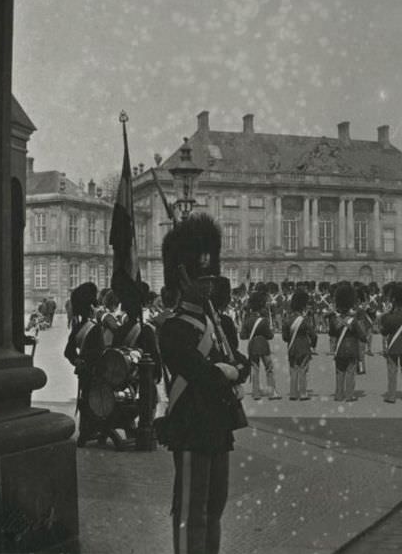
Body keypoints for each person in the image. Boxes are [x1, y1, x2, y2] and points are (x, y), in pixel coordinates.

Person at [158, 214, 250, 554]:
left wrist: (233, 370)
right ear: (183, 278)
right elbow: (201, 374)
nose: (210, 283)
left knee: (215, 509)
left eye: (212, 276)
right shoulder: (173, 328)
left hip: (218, 425)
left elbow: (243, 364)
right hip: (192, 425)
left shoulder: (221, 322)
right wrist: (228, 372)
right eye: (202, 277)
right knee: (190, 513)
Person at [63, 282, 104, 447]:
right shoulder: (95, 327)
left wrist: (77, 361)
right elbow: (100, 352)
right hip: (96, 370)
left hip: (84, 370)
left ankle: (85, 431)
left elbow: (68, 352)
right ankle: (91, 430)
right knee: (94, 399)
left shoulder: (79, 326)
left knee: (85, 398)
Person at [239, 290, 281, 400]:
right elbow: (270, 336)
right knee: (269, 368)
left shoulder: (247, 320)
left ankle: (255, 393)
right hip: (263, 346)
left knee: (255, 369)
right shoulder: (264, 320)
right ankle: (272, 392)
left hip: (252, 346)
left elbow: (242, 336)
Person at [329, 283, 366, 402]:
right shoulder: (353, 320)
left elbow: (332, 334)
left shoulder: (335, 320)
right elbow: (362, 336)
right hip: (351, 349)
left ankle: (339, 395)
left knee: (339, 372)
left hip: (339, 349)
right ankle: (349, 395)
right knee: (350, 372)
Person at [282, 288, 317, 401]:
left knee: (293, 370)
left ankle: (293, 393)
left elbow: (285, 337)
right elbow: (313, 335)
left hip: (292, 347)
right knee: (302, 370)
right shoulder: (305, 320)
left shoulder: (287, 320)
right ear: (303, 306)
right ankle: (303, 394)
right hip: (304, 347)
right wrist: (312, 345)